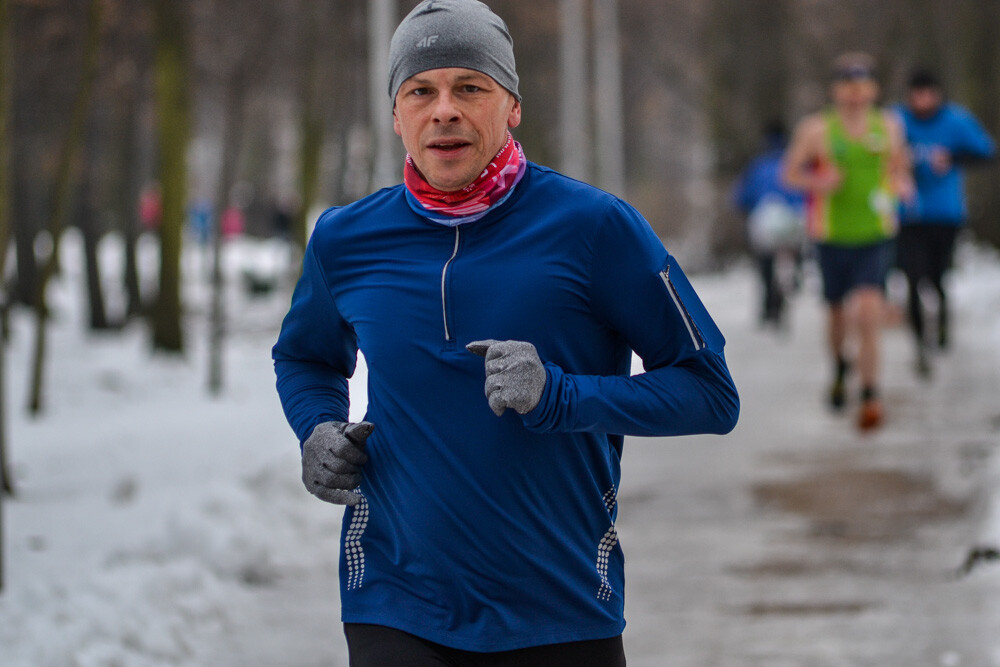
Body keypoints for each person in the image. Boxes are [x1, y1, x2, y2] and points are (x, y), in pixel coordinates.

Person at [272, 1, 739, 664]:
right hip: (395, 598)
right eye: (421, 91)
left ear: (511, 104)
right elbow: (305, 358)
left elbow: (711, 394)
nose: (445, 110)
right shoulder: (346, 239)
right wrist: (315, 426)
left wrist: (561, 396)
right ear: (397, 112)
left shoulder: (595, 229)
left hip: (560, 606)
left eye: (470, 87)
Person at [782, 52, 913, 431]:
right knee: (838, 315)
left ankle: (871, 394)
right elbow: (789, 174)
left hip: (875, 232)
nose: (855, 96)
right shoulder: (817, 130)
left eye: (862, 88)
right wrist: (818, 182)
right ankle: (840, 367)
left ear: (872, 90)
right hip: (831, 235)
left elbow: (899, 166)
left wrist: (902, 184)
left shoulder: (888, 126)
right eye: (848, 88)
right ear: (836, 91)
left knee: (869, 313)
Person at [893, 68, 995, 377]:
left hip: (945, 214)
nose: (922, 100)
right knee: (913, 277)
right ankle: (920, 344)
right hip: (908, 215)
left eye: (928, 93)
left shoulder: (956, 120)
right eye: (917, 93)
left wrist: (952, 159)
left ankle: (943, 324)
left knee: (936, 278)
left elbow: (988, 153)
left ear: (937, 94)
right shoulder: (894, 121)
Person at [732, 120, 806, 329]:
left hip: (764, 223)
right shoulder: (796, 164)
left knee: (765, 261)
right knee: (795, 246)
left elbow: (741, 198)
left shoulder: (758, 166)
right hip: (794, 222)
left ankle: (768, 306)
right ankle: (797, 270)